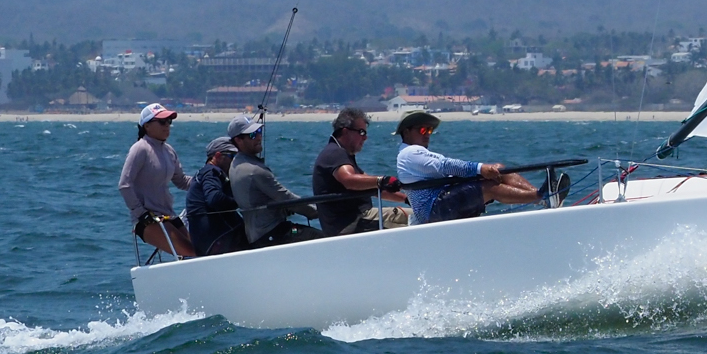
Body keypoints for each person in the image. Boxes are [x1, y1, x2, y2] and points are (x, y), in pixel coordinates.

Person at [393, 110, 543, 226]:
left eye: (429, 130)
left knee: (499, 169)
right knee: (489, 187)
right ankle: (539, 197)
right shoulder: (409, 153)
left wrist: (483, 171)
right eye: (422, 130)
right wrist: (480, 169)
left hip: (441, 201)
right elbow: (446, 166)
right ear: (407, 132)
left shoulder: (415, 153)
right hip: (432, 211)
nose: (427, 134)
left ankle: (541, 194)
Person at [226, 114, 321, 247]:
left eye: (259, 131)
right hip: (274, 234)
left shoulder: (235, 164)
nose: (259, 137)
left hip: (257, 235)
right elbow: (286, 198)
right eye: (252, 135)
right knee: (321, 238)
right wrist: (317, 211)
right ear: (238, 140)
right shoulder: (254, 170)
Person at [312, 107, 407, 235]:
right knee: (417, 218)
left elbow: (375, 188)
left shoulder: (342, 155)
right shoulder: (335, 153)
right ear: (345, 132)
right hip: (353, 223)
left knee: (414, 215)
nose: (365, 137)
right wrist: (382, 180)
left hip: (355, 222)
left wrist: (406, 199)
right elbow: (349, 180)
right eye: (361, 132)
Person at [119, 103, 193, 260]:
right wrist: (141, 213)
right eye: (162, 122)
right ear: (146, 126)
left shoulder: (169, 151)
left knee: (200, 249)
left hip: (168, 216)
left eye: (169, 122)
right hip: (146, 220)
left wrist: (206, 182)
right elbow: (124, 185)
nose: (167, 126)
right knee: (191, 251)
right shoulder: (140, 148)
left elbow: (181, 181)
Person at [184, 135, 246, 256]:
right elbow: (214, 199)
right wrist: (242, 201)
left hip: (212, 240)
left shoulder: (207, 173)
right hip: (218, 240)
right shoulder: (211, 172)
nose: (235, 161)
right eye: (232, 156)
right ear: (217, 156)